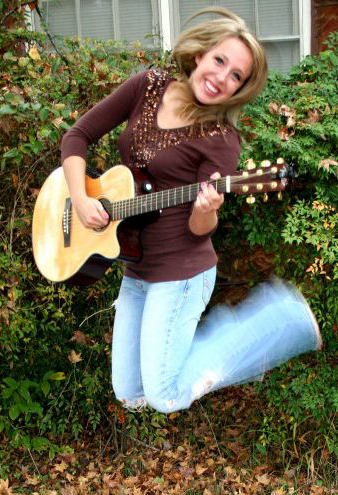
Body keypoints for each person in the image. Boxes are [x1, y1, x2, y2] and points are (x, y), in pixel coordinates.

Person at [60, 8, 321, 414]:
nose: (221, 77)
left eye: (236, 76)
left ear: (239, 90)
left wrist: (206, 209)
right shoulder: (147, 87)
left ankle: (277, 318)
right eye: (220, 60)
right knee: (130, 393)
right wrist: (80, 198)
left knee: (165, 395)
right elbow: (77, 136)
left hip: (182, 272)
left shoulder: (221, 140)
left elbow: (201, 229)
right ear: (199, 54)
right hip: (136, 264)